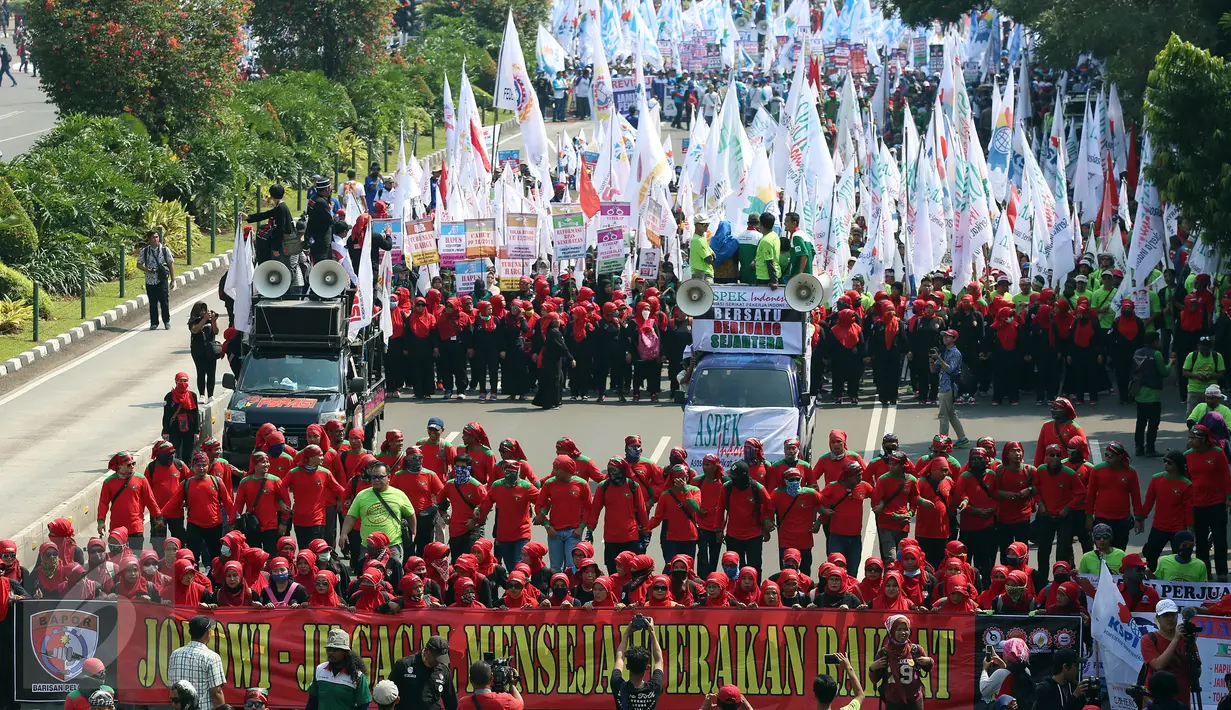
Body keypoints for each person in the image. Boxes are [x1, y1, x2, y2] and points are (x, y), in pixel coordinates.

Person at [341, 461, 415, 570]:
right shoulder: (362, 495)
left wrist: (413, 532)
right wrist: (344, 533)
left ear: (389, 477)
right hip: (368, 547)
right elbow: (351, 516)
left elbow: (410, 514)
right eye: (373, 477)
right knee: (368, 578)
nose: (376, 480)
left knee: (393, 579)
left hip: (393, 546)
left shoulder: (399, 495)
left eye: (380, 477)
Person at [1140, 451, 1195, 570]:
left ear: (1178, 465)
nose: (1165, 464)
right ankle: (1152, 577)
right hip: (1158, 526)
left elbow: (1188, 509)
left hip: (1178, 528)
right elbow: (1149, 501)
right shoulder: (1156, 479)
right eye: (1165, 461)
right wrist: (1140, 518)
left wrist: (1190, 528)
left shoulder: (1186, 484)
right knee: (1151, 554)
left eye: (1169, 462)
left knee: (1179, 557)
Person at [869, 614, 934, 710]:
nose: (903, 632)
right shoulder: (883, 653)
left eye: (905, 629)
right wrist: (872, 668)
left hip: (914, 701)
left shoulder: (916, 650)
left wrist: (929, 662)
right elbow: (875, 679)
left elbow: (927, 668)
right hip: (893, 702)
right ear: (891, 631)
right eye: (899, 629)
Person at [1141, 600, 1196, 707]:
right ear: (1158, 619)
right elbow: (1158, 665)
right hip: (1156, 702)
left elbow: (1196, 672)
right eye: (1166, 615)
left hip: (1181, 699)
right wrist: (1176, 639)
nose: (1170, 618)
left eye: (1173, 615)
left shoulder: (1186, 638)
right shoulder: (1148, 639)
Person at [167, 616, 226, 710]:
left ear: (190, 632)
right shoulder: (212, 657)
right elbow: (216, 693)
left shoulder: (175, 654)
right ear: (208, 633)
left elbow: (172, 687)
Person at [309, 629, 373, 710]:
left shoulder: (358, 676)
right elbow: (312, 701)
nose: (331, 653)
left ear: (345, 652)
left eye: (335, 650)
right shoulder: (319, 669)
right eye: (329, 649)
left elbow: (364, 706)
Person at [389, 636, 457, 710]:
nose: (438, 661)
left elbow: (451, 703)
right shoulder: (404, 665)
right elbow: (388, 693)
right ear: (426, 650)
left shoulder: (443, 671)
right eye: (436, 658)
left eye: (441, 659)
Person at [611, 617, 663, 710]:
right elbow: (659, 660)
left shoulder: (617, 685)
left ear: (627, 666)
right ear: (647, 667)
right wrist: (652, 633)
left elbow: (619, 659)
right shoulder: (654, 687)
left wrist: (626, 634)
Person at [1133, 331, 1170, 456]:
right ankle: (1150, 449)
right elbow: (1164, 372)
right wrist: (1171, 364)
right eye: (1158, 341)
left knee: (1140, 422)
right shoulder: (1156, 354)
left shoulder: (1137, 352)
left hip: (1139, 393)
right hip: (1153, 394)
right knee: (1153, 423)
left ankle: (1139, 448)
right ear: (1154, 342)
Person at [932, 330, 971, 447]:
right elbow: (934, 370)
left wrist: (938, 357)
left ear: (954, 339)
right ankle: (963, 438)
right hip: (944, 385)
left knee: (943, 415)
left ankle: (942, 442)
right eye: (944, 336)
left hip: (949, 387)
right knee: (951, 414)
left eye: (948, 336)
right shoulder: (945, 352)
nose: (945, 338)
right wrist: (931, 359)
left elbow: (950, 369)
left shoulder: (955, 353)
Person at [1033, 648, 1098, 710]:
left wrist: (1088, 696)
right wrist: (1075, 696)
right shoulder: (1044, 689)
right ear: (1065, 667)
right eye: (1076, 666)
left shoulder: (1073, 686)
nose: (1078, 669)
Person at [979, 638, 1033, 710]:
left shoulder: (1001, 673)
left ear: (1006, 656)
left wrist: (985, 669)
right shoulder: (1026, 671)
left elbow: (984, 690)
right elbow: (1012, 673)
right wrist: (1003, 665)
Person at [138, 229, 175, 330]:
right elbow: (139, 264)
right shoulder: (145, 251)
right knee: (153, 303)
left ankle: (166, 321)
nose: (156, 239)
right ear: (149, 239)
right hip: (150, 281)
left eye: (157, 237)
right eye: (153, 238)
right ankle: (154, 322)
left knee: (164, 302)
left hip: (161, 280)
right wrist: (147, 270)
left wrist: (173, 279)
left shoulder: (164, 250)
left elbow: (171, 263)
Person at [163, 372, 202, 462]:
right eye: (180, 381)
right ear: (176, 382)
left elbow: (195, 414)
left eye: (185, 381)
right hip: (174, 429)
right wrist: (166, 431)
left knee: (187, 454)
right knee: (173, 453)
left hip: (189, 429)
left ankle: (187, 472)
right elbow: (166, 414)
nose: (183, 383)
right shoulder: (169, 397)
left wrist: (197, 431)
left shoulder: (192, 396)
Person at [455, 660, 523, 710]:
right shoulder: (506, 700)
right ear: (491, 678)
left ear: (470, 680)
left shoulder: (463, 704)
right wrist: (513, 685)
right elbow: (520, 704)